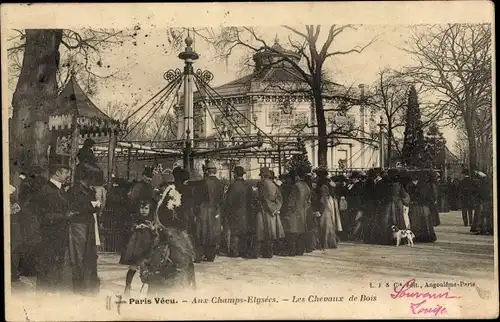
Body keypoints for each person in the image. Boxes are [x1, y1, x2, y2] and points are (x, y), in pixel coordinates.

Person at [33, 163, 77, 293]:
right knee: (48, 263)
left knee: (55, 263)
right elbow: (43, 214)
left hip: (58, 233)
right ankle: (45, 292)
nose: (68, 176)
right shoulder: (47, 190)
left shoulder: (59, 189)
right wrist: (65, 216)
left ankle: (51, 290)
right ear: (57, 173)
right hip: (50, 234)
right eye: (66, 173)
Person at [66, 163, 102, 295]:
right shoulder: (74, 191)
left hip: (89, 224)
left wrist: (95, 207)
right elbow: (73, 208)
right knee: (78, 255)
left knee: (90, 254)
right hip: (78, 225)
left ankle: (88, 284)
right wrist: (91, 207)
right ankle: (79, 285)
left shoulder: (90, 190)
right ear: (88, 177)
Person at [119, 199, 156, 295]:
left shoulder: (153, 219)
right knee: (133, 267)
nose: (143, 210)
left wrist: (151, 228)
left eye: (146, 208)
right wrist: (136, 227)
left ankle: (151, 290)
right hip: (136, 247)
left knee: (149, 268)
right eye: (142, 208)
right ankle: (127, 286)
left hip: (148, 246)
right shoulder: (135, 218)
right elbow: (128, 227)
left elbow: (156, 234)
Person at [251, 167, 285, 258]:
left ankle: (258, 253)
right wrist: (275, 208)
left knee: (260, 232)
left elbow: (261, 198)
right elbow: (280, 199)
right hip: (272, 213)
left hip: (263, 211)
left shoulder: (262, 185)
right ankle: (269, 252)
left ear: (262, 176)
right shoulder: (274, 185)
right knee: (270, 233)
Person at [194, 162, 224, 262]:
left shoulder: (203, 182)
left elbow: (198, 198)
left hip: (204, 210)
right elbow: (221, 198)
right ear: (215, 171)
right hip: (215, 210)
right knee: (213, 233)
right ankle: (211, 256)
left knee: (202, 232)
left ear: (207, 171)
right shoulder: (220, 183)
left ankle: (199, 256)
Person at [372, 169, 410, 245]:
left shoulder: (381, 183)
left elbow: (376, 195)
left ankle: (385, 239)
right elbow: (404, 195)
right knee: (397, 221)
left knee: (385, 221)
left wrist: (380, 202)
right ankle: (398, 239)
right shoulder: (398, 184)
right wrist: (405, 202)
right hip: (396, 205)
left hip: (385, 205)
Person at [280, 166, 311, 256]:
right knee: (301, 231)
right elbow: (309, 202)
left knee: (292, 231)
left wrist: (286, 210)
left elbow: (291, 201)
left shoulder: (296, 186)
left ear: (297, 176)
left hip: (294, 212)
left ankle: (291, 251)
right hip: (303, 212)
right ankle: (300, 250)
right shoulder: (307, 187)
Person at [224, 166, 252, 258]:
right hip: (246, 212)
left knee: (235, 232)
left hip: (235, 212)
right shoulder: (248, 185)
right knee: (244, 232)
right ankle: (243, 251)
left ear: (235, 174)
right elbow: (251, 200)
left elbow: (229, 201)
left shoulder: (233, 185)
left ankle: (234, 252)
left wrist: (227, 212)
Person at [406, 173, 437, 242]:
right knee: (425, 222)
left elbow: (408, 195)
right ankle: (426, 236)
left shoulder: (409, 185)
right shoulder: (424, 185)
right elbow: (428, 195)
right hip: (423, 206)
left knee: (415, 222)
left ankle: (416, 236)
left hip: (414, 206)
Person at [315, 167, 339, 249]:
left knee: (323, 222)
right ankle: (329, 241)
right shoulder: (328, 182)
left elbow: (321, 195)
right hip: (329, 202)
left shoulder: (320, 183)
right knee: (328, 221)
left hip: (324, 202)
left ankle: (324, 241)